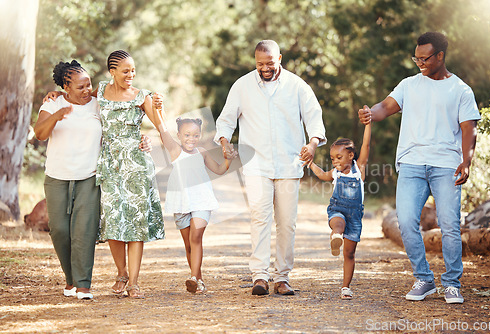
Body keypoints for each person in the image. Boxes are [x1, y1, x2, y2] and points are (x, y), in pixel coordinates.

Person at [358, 32, 480, 304]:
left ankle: (452, 283)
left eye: (425, 58)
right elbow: (385, 107)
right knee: (405, 221)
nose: (420, 63)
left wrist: (466, 161)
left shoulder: (460, 89)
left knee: (449, 225)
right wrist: (370, 113)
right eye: (417, 58)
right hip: (411, 163)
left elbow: (468, 129)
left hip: (446, 165)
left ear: (440, 56)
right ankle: (424, 279)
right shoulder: (408, 85)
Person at [215, 40, 326, 295]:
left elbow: (313, 116)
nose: (265, 68)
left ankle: (282, 277)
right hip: (256, 165)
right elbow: (226, 119)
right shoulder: (242, 85)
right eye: (260, 63)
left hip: (289, 163)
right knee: (260, 218)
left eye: (270, 63)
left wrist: (312, 143)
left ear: (280, 58)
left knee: (287, 223)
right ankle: (260, 277)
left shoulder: (297, 85)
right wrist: (224, 142)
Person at [34, 60, 151, 300]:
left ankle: (84, 285)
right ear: (66, 87)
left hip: (89, 177)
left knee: (84, 231)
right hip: (57, 177)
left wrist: (143, 137)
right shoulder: (53, 103)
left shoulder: (99, 104)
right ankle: (71, 279)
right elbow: (40, 133)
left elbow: (124, 111)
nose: (87, 90)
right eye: (80, 87)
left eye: (89, 85)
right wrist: (57, 114)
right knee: (59, 231)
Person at [95, 50, 166, 299]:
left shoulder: (142, 96)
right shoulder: (100, 92)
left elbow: (161, 126)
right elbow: (78, 102)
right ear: (111, 71)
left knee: (136, 223)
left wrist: (160, 107)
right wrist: (57, 95)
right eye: (125, 71)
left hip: (136, 166)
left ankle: (134, 282)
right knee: (113, 220)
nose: (131, 75)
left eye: (133, 70)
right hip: (109, 165)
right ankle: (121, 273)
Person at [156, 117, 236, 294]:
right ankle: (198, 280)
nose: (191, 139)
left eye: (195, 135)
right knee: (189, 246)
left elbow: (220, 169)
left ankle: (193, 278)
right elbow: (162, 130)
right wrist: (157, 109)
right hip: (181, 203)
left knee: (196, 237)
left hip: (201, 200)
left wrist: (228, 159)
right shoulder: (176, 150)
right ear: (178, 135)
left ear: (200, 136)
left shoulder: (202, 152)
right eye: (187, 135)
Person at [307, 120, 371, 299]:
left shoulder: (359, 169)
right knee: (338, 223)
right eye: (333, 158)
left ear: (351, 155)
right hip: (338, 210)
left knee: (349, 254)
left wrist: (368, 124)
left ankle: (345, 287)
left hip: (355, 217)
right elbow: (321, 174)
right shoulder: (335, 173)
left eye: (339, 157)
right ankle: (336, 235)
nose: (335, 161)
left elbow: (366, 144)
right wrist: (310, 163)